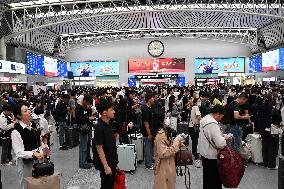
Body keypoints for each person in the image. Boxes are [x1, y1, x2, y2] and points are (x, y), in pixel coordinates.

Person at [11, 104, 44, 189]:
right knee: (27, 185)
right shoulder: (16, 131)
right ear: (19, 115)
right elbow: (18, 152)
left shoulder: (32, 125)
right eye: (25, 111)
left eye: (28, 109)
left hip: (36, 160)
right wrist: (33, 154)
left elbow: (37, 142)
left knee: (37, 184)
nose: (29, 111)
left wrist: (43, 145)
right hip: (25, 164)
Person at [198, 105, 231, 189]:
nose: (221, 119)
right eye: (221, 117)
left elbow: (211, 136)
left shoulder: (205, 119)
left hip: (204, 152)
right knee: (215, 180)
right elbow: (220, 143)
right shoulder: (212, 124)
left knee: (207, 178)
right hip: (212, 155)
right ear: (217, 113)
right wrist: (225, 138)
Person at [153, 116, 184, 189]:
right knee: (164, 185)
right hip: (163, 166)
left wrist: (177, 144)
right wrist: (175, 145)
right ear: (161, 121)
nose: (168, 119)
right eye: (166, 117)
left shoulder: (165, 131)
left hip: (168, 164)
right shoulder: (160, 136)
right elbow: (163, 153)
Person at [94, 101, 118, 189]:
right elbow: (99, 148)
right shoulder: (99, 127)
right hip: (106, 163)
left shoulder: (108, 124)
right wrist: (106, 166)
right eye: (112, 110)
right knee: (106, 185)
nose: (114, 112)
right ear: (104, 113)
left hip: (111, 161)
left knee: (111, 184)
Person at [75, 95, 94, 169]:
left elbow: (86, 115)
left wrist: (89, 113)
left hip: (87, 128)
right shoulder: (79, 108)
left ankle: (88, 159)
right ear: (84, 101)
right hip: (82, 128)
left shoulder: (84, 108)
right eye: (88, 103)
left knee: (88, 144)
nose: (89, 105)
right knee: (83, 146)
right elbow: (78, 120)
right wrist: (88, 118)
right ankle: (82, 163)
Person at [141, 93, 155, 169]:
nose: (153, 99)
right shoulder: (145, 109)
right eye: (152, 98)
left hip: (150, 130)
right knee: (147, 147)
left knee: (150, 147)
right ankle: (148, 164)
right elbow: (146, 122)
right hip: (146, 132)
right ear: (149, 99)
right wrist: (149, 133)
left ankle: (150, 160)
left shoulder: (150, 107)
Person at [189, 98, 202, 168]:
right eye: (199, 101)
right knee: (196, 141)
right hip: (195, 127)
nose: (200, 102)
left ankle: (194, 153)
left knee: (194, 141)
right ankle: (196, 155)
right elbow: (198, 116)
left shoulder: (192, 107)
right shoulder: (196, 107)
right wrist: (204, 119)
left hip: (191, 126)